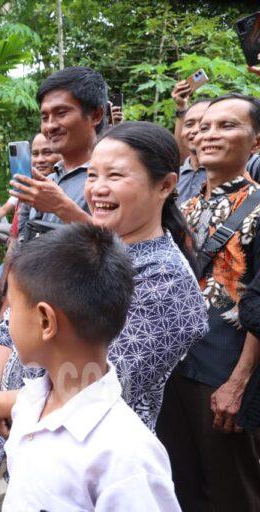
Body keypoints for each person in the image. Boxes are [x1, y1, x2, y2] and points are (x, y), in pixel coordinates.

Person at [0, 122, 208, 470]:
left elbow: (107, 386)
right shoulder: (78, 246)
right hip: (27, 446)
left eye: (115, 176)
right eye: (93, 175)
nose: (97, 189)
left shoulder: (166, 280)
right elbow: (14, 318)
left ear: (165, 185)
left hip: (86, 465)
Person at [0, 223, 180, 510]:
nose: (7, 320)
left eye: (12, 308)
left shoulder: (127, 459)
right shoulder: (31, 401)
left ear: (46, 321)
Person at [157, 94, 260, 511]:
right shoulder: (184, 204)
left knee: (232, 489)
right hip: (175, 367)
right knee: (179, 483)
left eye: (228, 126)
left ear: (255, 142)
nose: (210, 134)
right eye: (205, 126)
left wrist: (238, 383)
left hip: (225, 370)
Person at [11, 66, 107, 241]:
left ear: (96, 115)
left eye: (61, 113)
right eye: (44, 117)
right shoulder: (47, 182)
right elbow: (20, 243)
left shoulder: (111, 180)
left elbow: (123, 247)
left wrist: (61, 206)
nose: (50, 126)